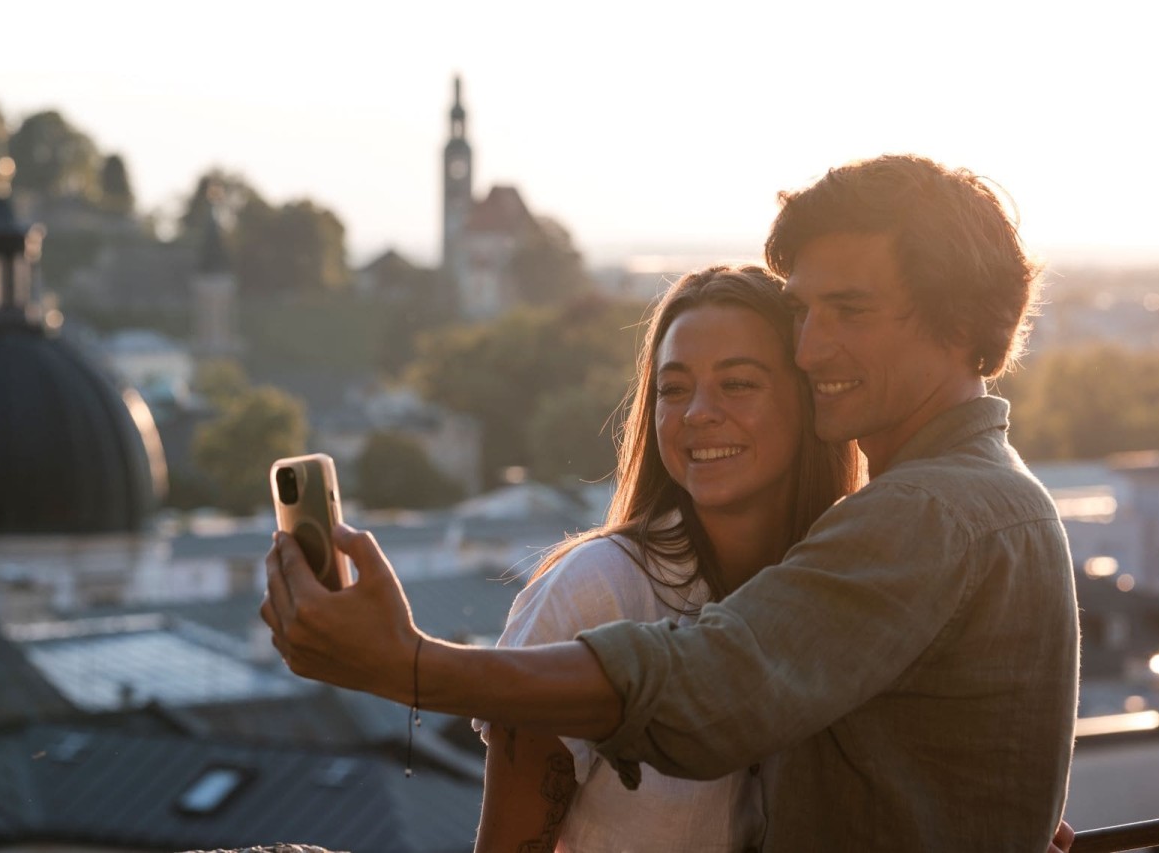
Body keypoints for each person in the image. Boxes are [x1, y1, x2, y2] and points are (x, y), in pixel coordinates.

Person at [262, 153, 1080, 851]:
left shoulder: (929, 514)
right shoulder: (1002, 501)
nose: (811, 345)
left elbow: (709, 686)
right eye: (803, 312)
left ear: (958, 316)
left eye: (850, 311)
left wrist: (408, 666)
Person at [474, 264, 862, 852]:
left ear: (808, 400)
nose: (697, 413)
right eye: (673, 389)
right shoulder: (595, 592)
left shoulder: (858, 596)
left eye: (737, 384)